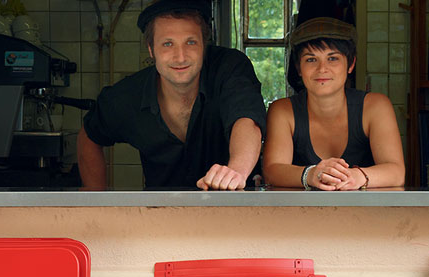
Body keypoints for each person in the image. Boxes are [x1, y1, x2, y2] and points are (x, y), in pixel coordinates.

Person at [77, 0, 266, 190]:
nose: (180, 57)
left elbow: (247, 120)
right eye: (167, 44)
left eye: (190, 42)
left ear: (204, 46)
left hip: (234, 209)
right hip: (159, 213)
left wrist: (236, 171)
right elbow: (90, 135)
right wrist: (95, 198)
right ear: (151, 50)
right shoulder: (128, 95)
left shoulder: (229, 67)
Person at [262, 17, 405, 190]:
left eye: (333, 58)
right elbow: (272, 171)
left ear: (350, 64)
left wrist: (356, 177)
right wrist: (311, 174)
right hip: (299, 214)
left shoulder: (375, 106)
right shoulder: (283, 110)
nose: (322, 68)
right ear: (299, 68)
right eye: (311, 59)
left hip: (368, 214)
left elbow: (397, 172)